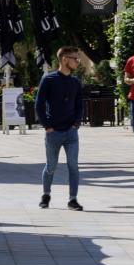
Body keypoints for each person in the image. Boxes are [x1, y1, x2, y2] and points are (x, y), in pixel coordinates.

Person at [36, 45, 86, 210]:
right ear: (65, 59)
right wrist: (47, 126)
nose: (77, 62)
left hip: (71, 132)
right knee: (51, 166)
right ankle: (46, 195)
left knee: (73, 165)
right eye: (74, 58)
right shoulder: (49, 80)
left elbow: (79, 105)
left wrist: (76, 124)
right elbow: (39, 105)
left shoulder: (75, 82)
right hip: (54, 132)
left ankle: (73, 199)